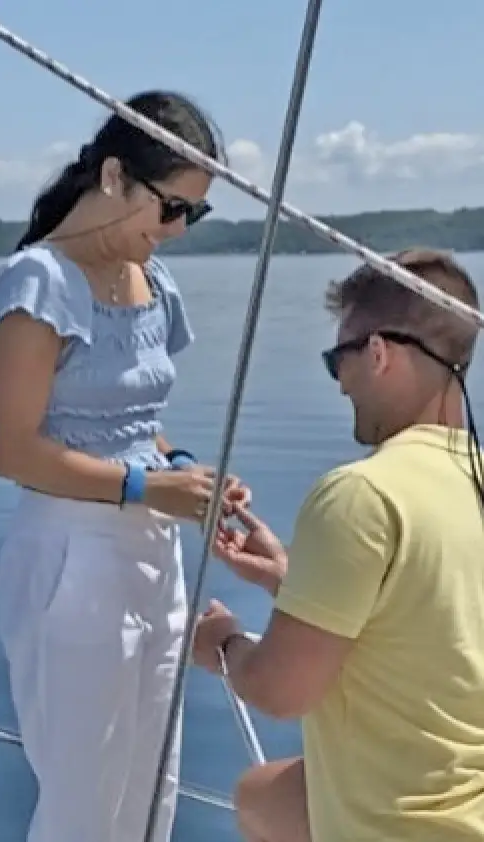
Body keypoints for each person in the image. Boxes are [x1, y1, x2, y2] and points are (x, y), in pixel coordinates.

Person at [0, 90, 249, 842]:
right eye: (172, 208)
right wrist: (145, 486)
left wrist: (186, 474)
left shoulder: (153, 283)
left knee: (153, 792)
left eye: (195, 214)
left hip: (152, 552)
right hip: (74, 558)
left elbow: (135, 425)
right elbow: (11, 450)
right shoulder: (39, 283)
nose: (179, 229)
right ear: (114, 176)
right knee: (84, 804)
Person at [191, 248, 484, 842]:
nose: (340, 382)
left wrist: (221, 645)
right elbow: (434, 619)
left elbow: (281, 691)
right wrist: (289, 578)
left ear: (376, 353)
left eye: (337, 359)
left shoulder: (362, 495)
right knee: (260, 796)